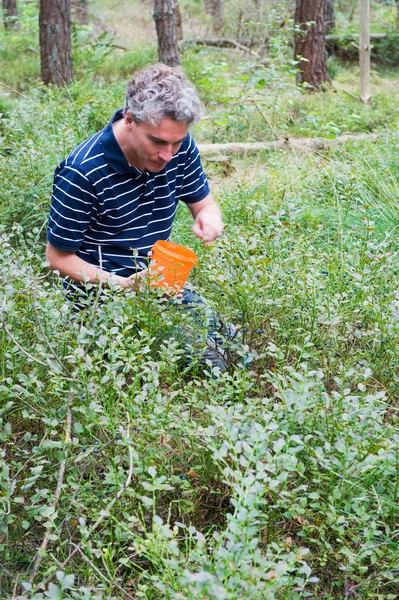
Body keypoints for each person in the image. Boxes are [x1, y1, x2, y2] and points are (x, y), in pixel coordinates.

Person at [46, 63, 233, 372]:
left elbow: (205, 205)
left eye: (177, 142)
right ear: (130, 119)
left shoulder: (178, 148)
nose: (168, 155)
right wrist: (124, 285)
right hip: (99, 296)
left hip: (158, 284)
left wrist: (210, 217)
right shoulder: (82, 172)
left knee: (232, 344)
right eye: (157, 142)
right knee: (211, 362)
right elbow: (57, 259)